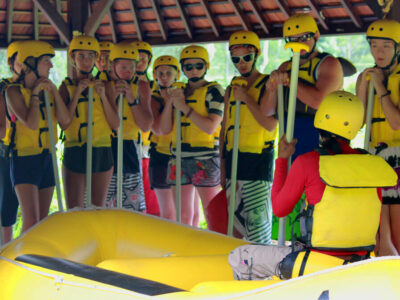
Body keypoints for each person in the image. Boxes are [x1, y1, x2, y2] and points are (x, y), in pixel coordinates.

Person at [229, 91, 397, 280]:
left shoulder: (308, 162)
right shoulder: (372, 165)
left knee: (238, 257)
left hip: (314, 262)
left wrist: (282, 159)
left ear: (320, 120)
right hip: (358, 262)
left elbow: (279, 208)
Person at [265, 13, 344, 240]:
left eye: (304, 37)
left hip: (319, 140)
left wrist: (290, 79)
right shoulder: (284, 66)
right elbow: (266, 112)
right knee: (287, 201)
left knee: (316, 201)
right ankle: (288, 246)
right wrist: (273, 86)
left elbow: (320, 100)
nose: (298, 43)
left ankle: (318, 244)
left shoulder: (329, 64)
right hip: (290, 140)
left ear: (316, 36)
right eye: (292, 39)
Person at [6, 40, 70, 232]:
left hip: (47, 157)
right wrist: (35, 94)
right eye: (45, 61)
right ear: (31, 63)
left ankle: (39, 259)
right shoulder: (13, 91)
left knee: (43, 220)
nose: (50, 65)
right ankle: (22, 259)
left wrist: (52, 90)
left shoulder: (49, 91)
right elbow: (32, 123)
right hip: (24, 159)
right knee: (31, 219)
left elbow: (65, 121)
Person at [220, 31, 278, 244]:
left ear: (257, 55)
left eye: (246, 57)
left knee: (257, 225)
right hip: (233, 162)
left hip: (258, 164)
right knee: (234, 225)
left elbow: (270, 123)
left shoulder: (269, 85)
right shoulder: (230, 89)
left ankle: (261, 270)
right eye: (236, 59)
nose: (241, 63)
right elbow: (224, 130)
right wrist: (222, 166)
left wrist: (246, 99)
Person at [160, 45, 224, 225]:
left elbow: (210, 127)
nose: (194, 70)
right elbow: (164, 129)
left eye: (198, 66)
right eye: (188, 67)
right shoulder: (177, 91)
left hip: (206, 159)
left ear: (206, 66)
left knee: (212, 213)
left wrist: (184, 108)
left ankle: (212, 251)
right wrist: (170, 101)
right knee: (183, 217)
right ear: (182, 69)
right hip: (178, 158)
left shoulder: (215, 90)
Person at [59, 33, 119, 209]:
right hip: (75, 149)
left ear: (96, 59)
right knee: (74, 209)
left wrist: (103, 97)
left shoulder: (106, 86)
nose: (86, 61)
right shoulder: (66, 86)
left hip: (102, 149)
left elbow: (115, 124)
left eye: (90, 56)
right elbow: (64, 123)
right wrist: (77, 92)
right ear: (73, 58)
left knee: (97, 208)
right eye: (81, 56)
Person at [356, 19, 400, 256]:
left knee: (397, 233)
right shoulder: (367, 76)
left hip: (398, 158)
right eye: (374, 45)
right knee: (379, 235)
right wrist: (365, 84)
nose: (379, 52)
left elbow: (396, 122)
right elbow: (359, 122)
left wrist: (381, 87)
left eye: (386, 46)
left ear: (397, 48)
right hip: (375, 157)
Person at [105, 42, 153, 211]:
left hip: (131, 147)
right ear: (112, 66)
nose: (128, 71)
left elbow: (146, 125)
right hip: (106, 147)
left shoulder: (142, 87)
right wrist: (113, 97)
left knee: (132, 204)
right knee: (103, 202)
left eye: (131, 67)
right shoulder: (104, 86)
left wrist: (132, 99)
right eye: (123, 66)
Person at [149, 55, 180, 220]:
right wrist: (168, 102)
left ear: (177, 75)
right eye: (160, 73)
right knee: (168, 213)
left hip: (182, 155)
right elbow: (159, 130)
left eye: (169, 73)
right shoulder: (152, 98)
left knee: (187, 212)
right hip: (161, 157)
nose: (164, 77)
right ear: (155, 75)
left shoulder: (184, 95)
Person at [132, 40, 160, 216]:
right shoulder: (122, 86)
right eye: (137, 58)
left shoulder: (157, 86)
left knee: (153, 203)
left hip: (150, 149)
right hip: (130, 148)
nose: (141, 62)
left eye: (144, 58)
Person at [0, 41, 23, 243]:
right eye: (20, 60)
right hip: (7, 152)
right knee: (6, 210)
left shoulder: (38, 88)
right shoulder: (4, 88)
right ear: (12, 63)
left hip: (32, 153)